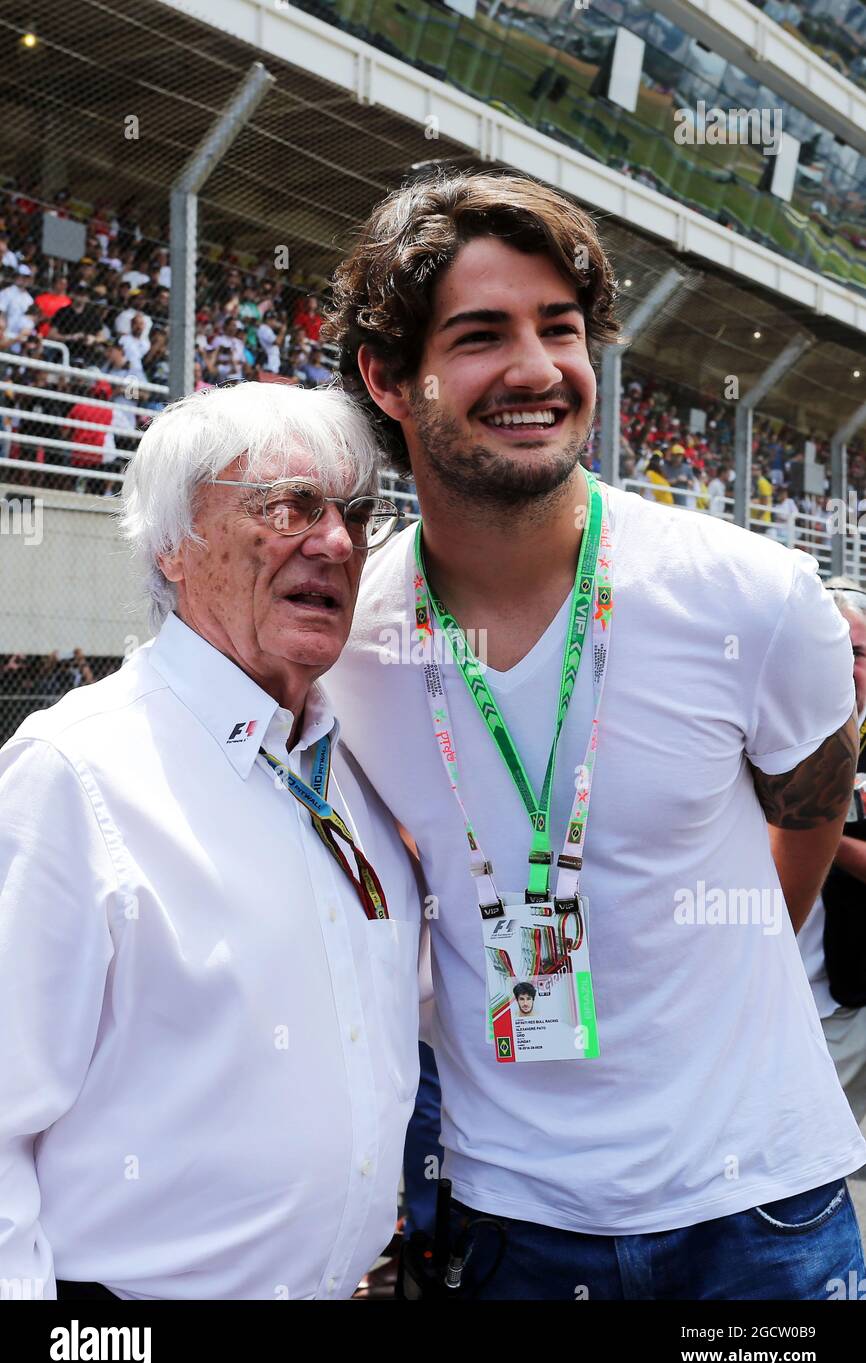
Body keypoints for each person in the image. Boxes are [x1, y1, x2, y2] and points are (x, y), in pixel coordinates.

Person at [322, 167, 866, 1300]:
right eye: (479, 335)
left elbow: (807, 812)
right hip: (509, 1218)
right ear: (386, 375)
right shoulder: (348, 639)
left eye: (558, 329)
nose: (535, 369)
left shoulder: (751, 599)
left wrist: (714, 971)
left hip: (756, 1208)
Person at [0, 381, 421, 1301]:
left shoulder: (354, 766)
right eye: (288, 507)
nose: (339, 543)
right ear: (173, 547)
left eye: (354, 512)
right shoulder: (74, 774)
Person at [798, 578, 866, 1137]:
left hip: (846, 997)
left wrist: (814, 829)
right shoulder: (769, 729)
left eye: (859, 653)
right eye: (834, 650)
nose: (846, 666)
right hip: (783, 995)